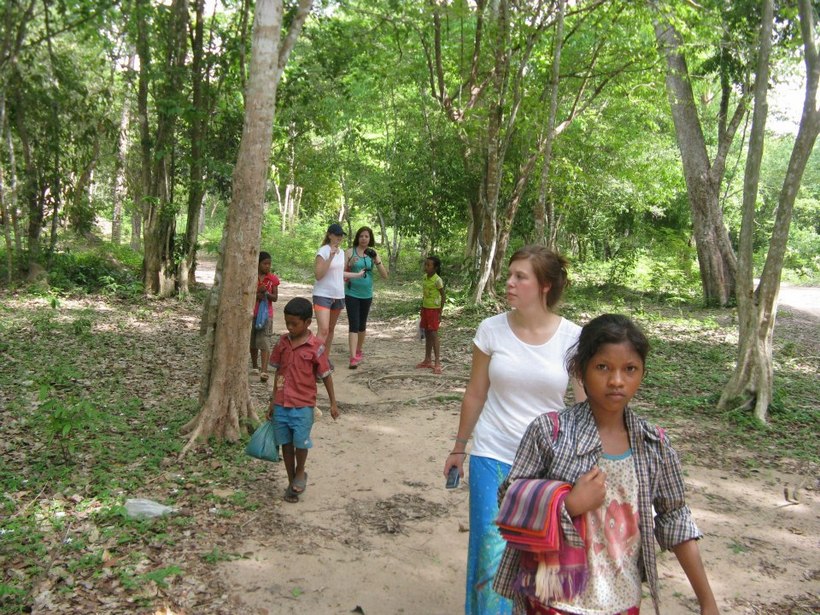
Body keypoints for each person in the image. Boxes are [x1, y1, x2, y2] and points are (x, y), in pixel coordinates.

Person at [493, 314, 719, 615]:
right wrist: (568, 504)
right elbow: (509, 498)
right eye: (603, 367)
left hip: (621, 600)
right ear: (579, 370)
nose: (616, 380)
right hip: (553, 599)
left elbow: (675, 519)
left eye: (630, 369)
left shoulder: (654, 446)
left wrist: (707, 601)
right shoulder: (550, 433)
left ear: (642, 373)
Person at [443, 245, 586, 615]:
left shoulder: (573, 337)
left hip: (547, 466)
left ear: (544, 286)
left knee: (539, 556)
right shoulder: (490, 330)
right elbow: (476, 393)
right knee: (490, 554)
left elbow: (585, 406)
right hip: (492, 455)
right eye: (509, 274)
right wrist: (459, 447)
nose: (509, 282)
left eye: (520, 276)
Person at [267, 297, 340, 503]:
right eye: (287, 323)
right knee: (286, 445)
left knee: (301, 443)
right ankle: (292, 482)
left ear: (308, 323)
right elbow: (278, 374)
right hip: (282, 403)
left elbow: (326, 375)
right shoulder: (282, 343)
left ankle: (301, 472)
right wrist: (273, 401)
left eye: (294, 324)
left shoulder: (316, 347)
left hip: (304, 405)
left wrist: (333, 403)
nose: (290, 327)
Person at [313, 223, 365, 364]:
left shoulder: (341, 253)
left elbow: (339, 273)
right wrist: (329, 257)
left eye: (341, 235)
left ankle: (324, 360)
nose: (339, 238)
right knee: (323, 330)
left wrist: (357, 275)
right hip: (322, 295)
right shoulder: (323, 251)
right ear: (329, 235)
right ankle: (314, 361)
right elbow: (319, 275)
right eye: (336, 235)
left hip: (338, 295)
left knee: (330, 330)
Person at [344, 226, 388, 369]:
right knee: (354, 324)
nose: (364, 239)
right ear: (357, 237)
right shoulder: (350, 252)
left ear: (370, 239)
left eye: (367, 236)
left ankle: (358, 350)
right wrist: (350, 264)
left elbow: (384, 275)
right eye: (361, 236)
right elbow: (341, 272)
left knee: (362, 325)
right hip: (351, 293)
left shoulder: (373, 253)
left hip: (366, 294)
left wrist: (376, 259)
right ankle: (352, 357)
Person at [250, 251, 279, 383]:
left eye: (269, 264)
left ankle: (264, 370)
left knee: (265, 341)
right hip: (252, 313)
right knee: (253, 341)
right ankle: (255, 366)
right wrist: (257, 294)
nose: (267, 266)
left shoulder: (272, 279)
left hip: (266, 315)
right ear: (258, 263)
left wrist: (266, 293)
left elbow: (275, 298)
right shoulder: (251, 277)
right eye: (264, 263)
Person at [416, 255, 445, 374]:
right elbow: (424, 294)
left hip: (434, 310)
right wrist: (422, 307)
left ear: (435, 267)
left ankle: (437, 362)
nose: (426, 267)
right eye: (425, 264)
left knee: (434, 334)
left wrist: (440, 312)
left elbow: (443, 296)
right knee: (427, 334)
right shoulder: (425, 278)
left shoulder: (438, 280)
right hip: (426, 309)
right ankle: (427, 359)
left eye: (429, 265)